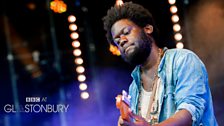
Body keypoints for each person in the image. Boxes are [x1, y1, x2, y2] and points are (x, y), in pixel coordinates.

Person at [102, 2, 218, 126]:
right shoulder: (134, 88)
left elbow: (190, 112)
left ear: (147, 29)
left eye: (126, 32)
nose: (122, 41)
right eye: (117, 41)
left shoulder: (182, 60)